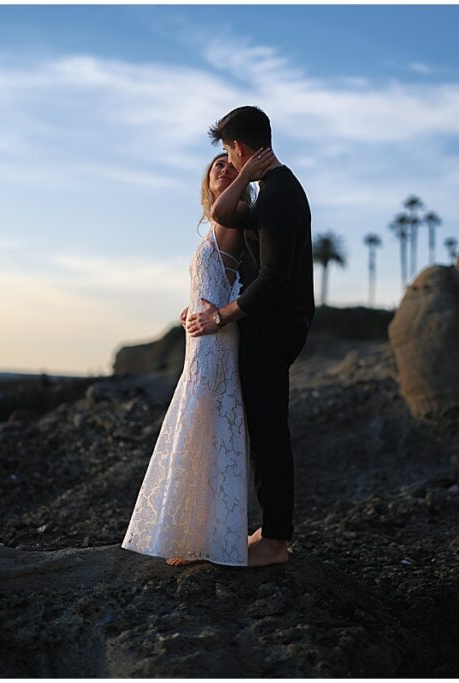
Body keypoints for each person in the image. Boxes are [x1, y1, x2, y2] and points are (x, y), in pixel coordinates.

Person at [122, 151, 265, 567]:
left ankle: (204, 537)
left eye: (230, 163)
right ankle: (192, 533)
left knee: (206, 417)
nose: (222, 167)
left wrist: (244, 176)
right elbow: (223, 279)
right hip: (200, 335)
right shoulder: (218, 224)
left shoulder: (234, 213)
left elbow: (239, 277)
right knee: (199, 416)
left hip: (217, 336)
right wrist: (191, 309)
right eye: (216, 165)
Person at [186, 105, 314, 568]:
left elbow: (274, 281)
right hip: (274, 325)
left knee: (269, 435)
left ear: (239, 148)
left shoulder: (278, 195)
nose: (227, 160)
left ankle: (276, 542)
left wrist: (220, 316)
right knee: (264, 433)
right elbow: (222, 210)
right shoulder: (273, 190)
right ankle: (271, 529)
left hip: (275, 327)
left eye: (227, 151)